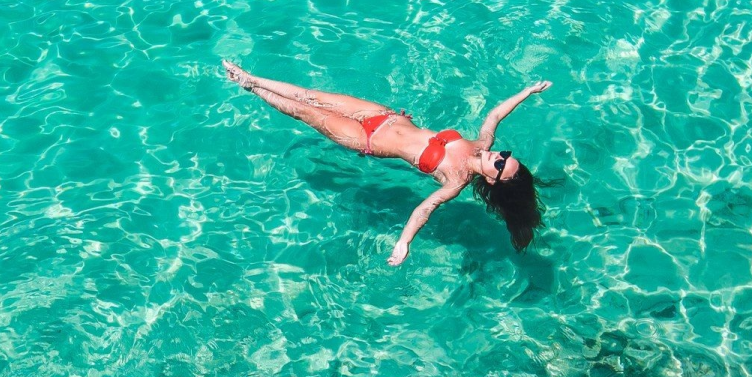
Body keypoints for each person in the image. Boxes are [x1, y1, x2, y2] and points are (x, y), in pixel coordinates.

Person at [223, 60, 549, 264]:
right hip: (383, 115)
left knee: (307, 112)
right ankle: (253, 76)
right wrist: (527, 92)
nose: (499, 155)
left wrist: (404, 243)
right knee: (312, 95)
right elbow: (494, 115)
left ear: (493, 181)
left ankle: (248, 86)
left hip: (366, 140)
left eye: (500, 164)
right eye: (505, 155)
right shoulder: (482, 144)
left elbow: (424, 209)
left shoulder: (455, 180)